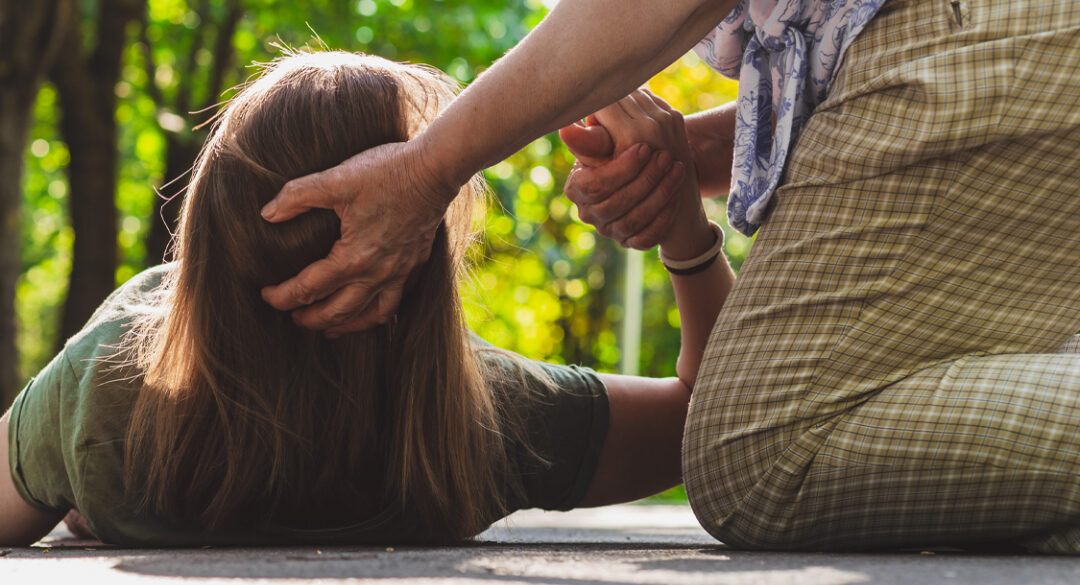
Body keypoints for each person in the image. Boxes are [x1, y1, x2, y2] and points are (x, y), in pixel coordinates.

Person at [262, 0, 1080, 552]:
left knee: (761, 457)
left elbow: (712, 426)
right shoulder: (493, 425)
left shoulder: (131, 414)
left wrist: (431, 166)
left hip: (982, 42)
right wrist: (680, 167)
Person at [0, 51, 733, 546]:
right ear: (416, 256)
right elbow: (713, 423)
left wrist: (83, 468)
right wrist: (686, 237)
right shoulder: (483, 420)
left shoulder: (111, 394)